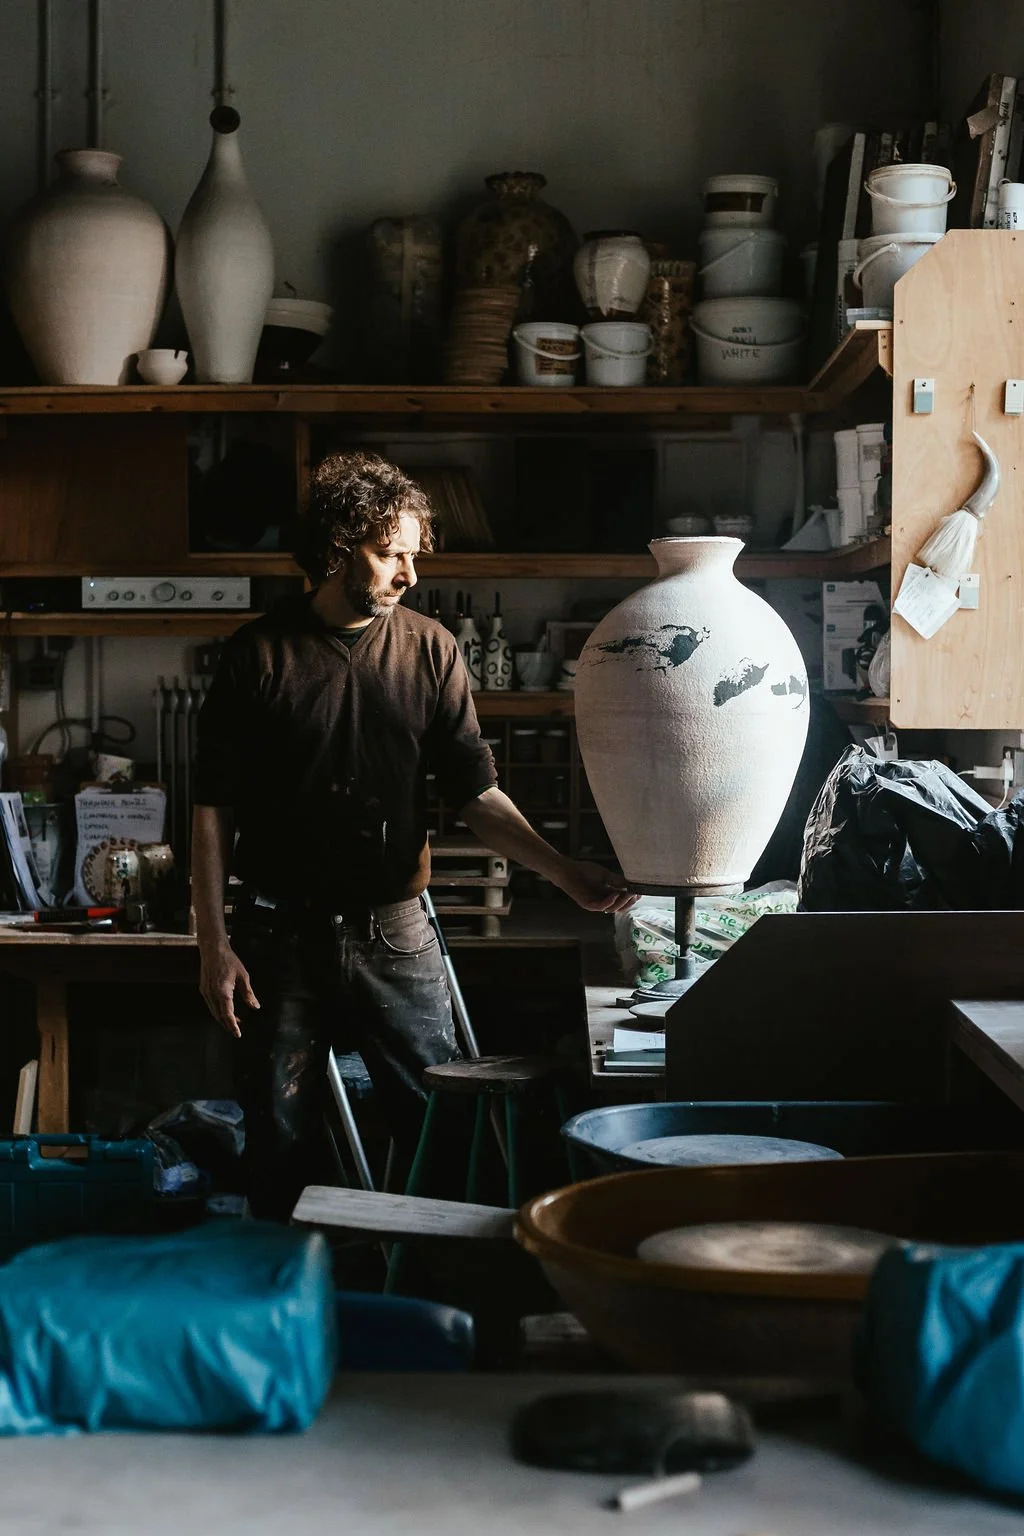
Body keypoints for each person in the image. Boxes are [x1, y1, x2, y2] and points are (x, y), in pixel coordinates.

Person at [191, 450, 635, 1219]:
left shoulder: (431, 649)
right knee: (280, 1141)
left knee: (441, 1128)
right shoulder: (256, 656)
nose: (409, 574)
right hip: (277, 937)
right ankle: (294, 1309)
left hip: (393, 932)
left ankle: (438, 1304)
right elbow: (211, 810)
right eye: (389, 552)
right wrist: (212, 943)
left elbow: (476, 793)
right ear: (337, 548)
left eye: (413, 555)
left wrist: (564, 871)